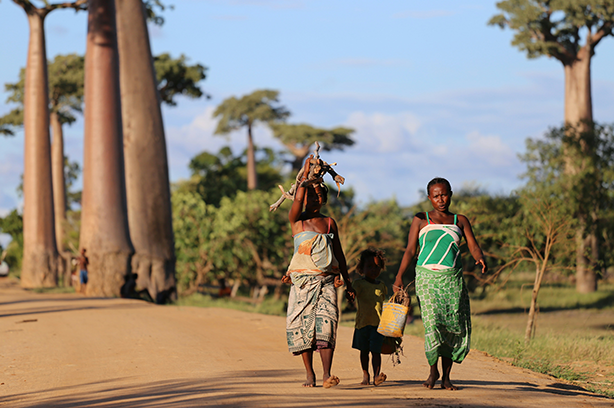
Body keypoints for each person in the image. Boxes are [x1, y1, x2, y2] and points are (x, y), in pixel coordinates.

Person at [393, 177, 487, 391]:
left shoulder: (460, 220)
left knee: (451, 327)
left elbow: (473, 245)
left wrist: (479, 257)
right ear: (429, 198)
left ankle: (446, 377)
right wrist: (399, 276)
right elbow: (410, 250)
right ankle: (432, 370)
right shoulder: (421, 219)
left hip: (452, 280)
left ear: (450, 194)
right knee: (433, 323)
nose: (441, 199)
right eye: (436, 196)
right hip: (426, 278)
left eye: (444, 194)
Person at [282, 155, 355, 388]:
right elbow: (297, 199)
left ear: (324, 198)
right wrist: (306, 173)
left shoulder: (329, 223)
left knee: (328, 324)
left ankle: (326, 374)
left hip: (327, 282)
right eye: (311, 194)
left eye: (320, 194)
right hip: (303, 283)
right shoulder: (297, 221)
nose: (316, 198)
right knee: (304, 327)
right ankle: (310, 374)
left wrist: (348, 280)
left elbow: (339, 254)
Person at [352, 248, 388, 386]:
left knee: (376, 352)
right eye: (369, 267)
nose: (373, 270)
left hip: (378, 325)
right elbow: (353, 294)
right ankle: (365, 374)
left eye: (377, 267)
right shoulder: (358, 284)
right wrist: (350, 295)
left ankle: (377, 376)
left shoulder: (382, 286)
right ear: (362, 268)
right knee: (364, 352)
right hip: (362, 324)